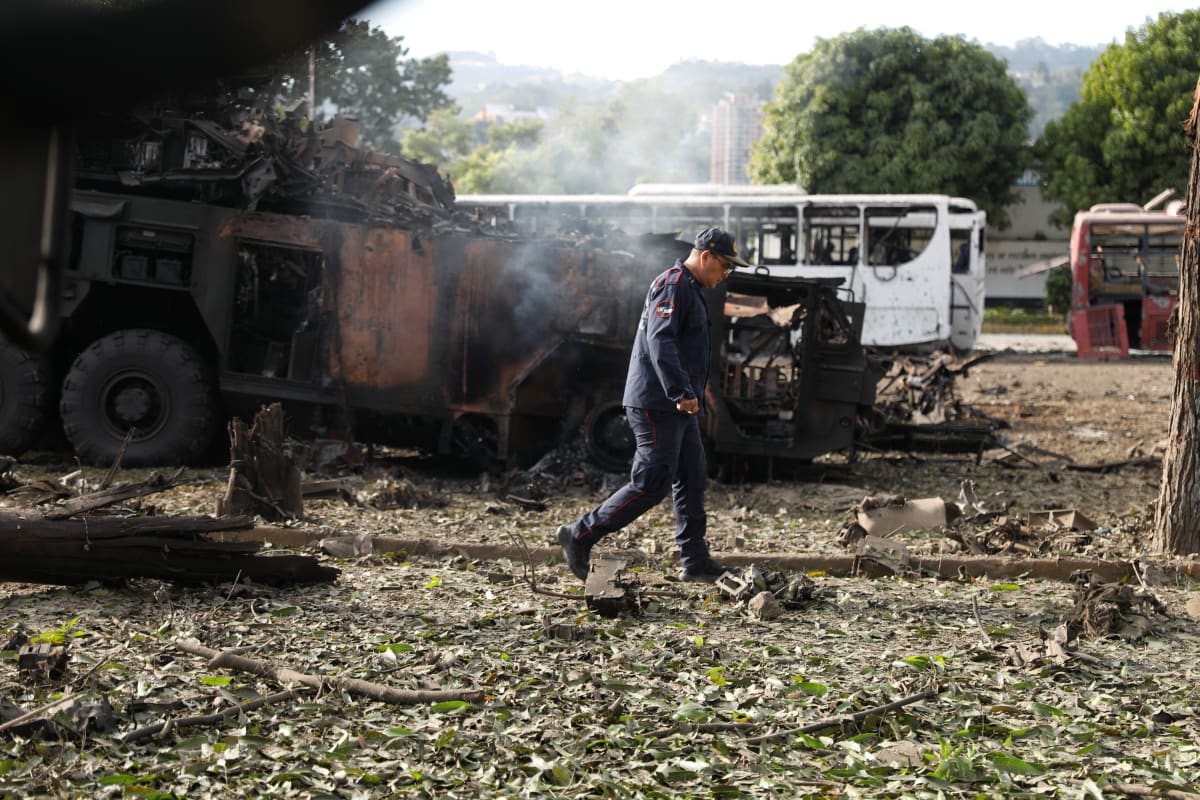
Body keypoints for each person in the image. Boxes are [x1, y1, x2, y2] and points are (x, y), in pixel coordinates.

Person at [557, 227, 750, 582]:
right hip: (659, 403)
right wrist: (680, 392)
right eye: (725, 267)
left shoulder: (690, 288)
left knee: (692, 475)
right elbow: (660, 341)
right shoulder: (673, 284)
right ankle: (579, 534)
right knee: (650, 484)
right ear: (705, 257)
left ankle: (694, 561)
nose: (726, 275)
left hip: (677, 404)